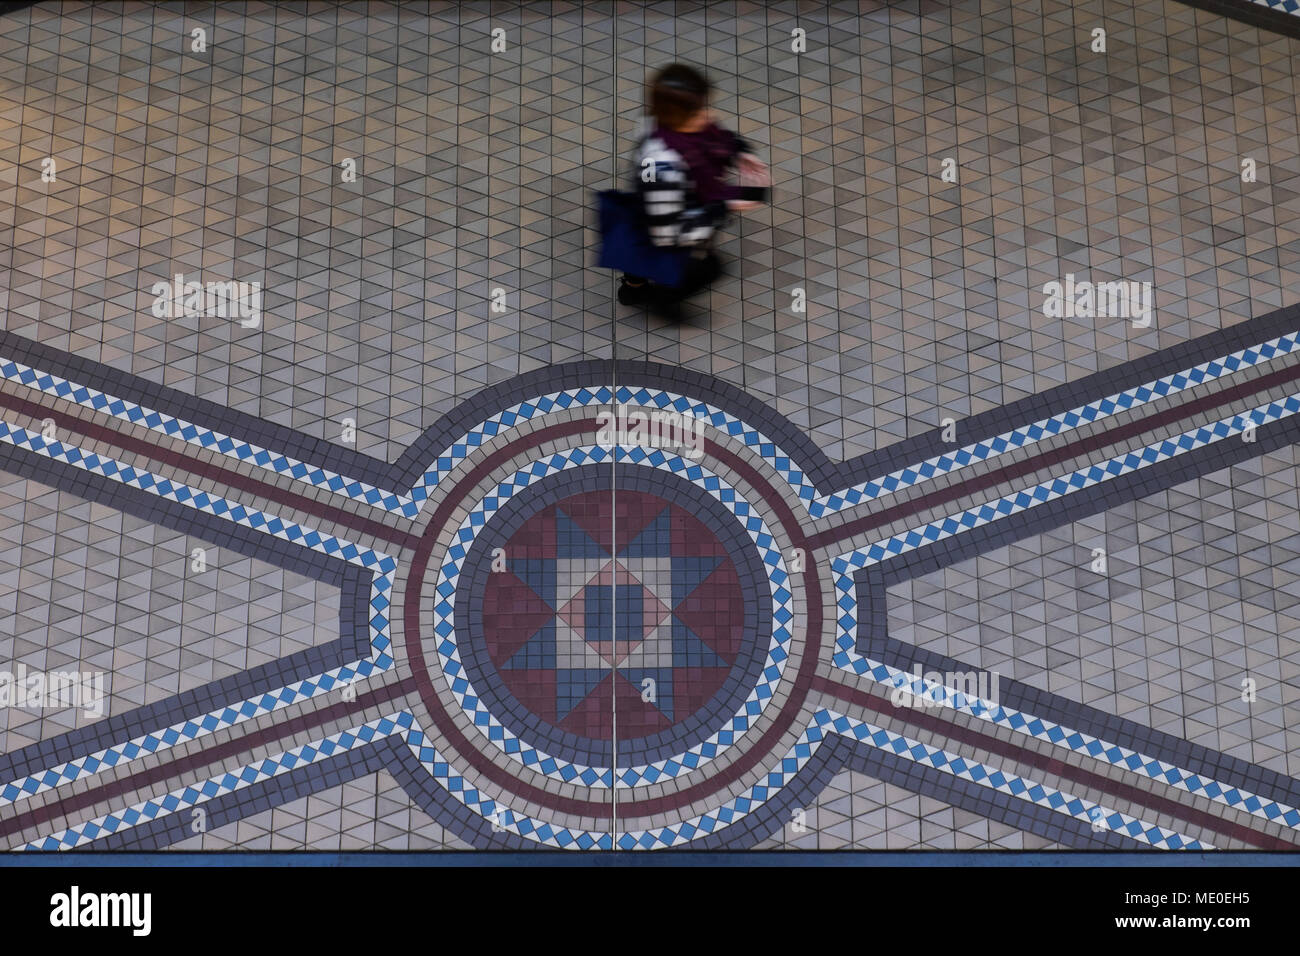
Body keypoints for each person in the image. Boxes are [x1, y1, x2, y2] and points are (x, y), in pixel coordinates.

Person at [618, 63, 770, 317]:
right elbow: (668, 231)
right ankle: (660, 302)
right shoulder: (662, 165)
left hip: (650, 213)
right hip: (663, 221)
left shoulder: (665, 124)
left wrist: (739, 151)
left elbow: (717, 138)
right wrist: (724, 207)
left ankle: (634, 285)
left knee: (641, 252)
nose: (707, 116)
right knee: (708, 268)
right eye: (699, 111)